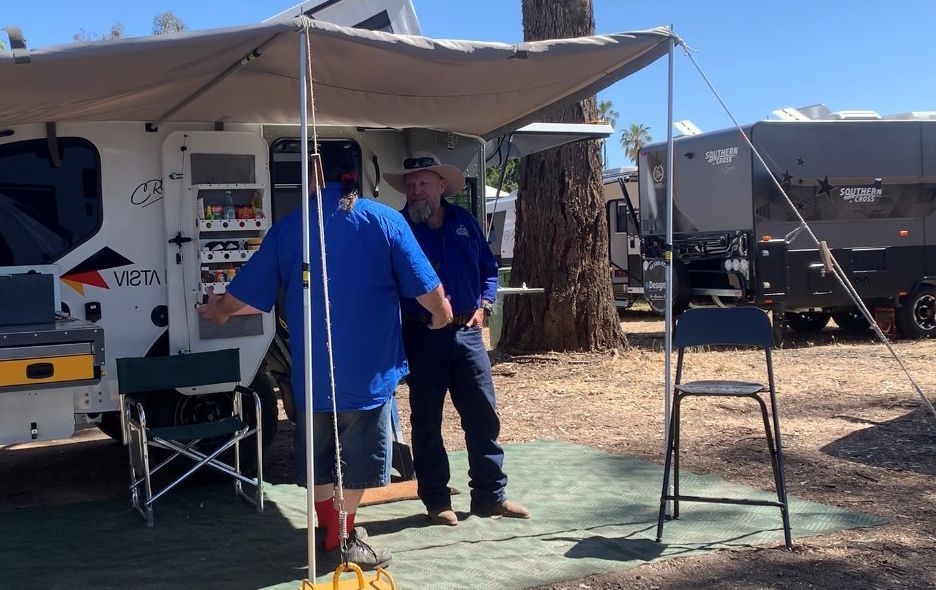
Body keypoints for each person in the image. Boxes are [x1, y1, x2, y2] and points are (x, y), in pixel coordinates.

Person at [199, 154, 452, 569]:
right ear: (359, 182)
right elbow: (429, 291)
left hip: (312, 376)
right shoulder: (385, 220)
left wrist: (220, 310)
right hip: (367, 376)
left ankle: (328, 529)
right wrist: (441, 317)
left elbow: (243, 296)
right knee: (356, 460)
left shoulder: (290, 228)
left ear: (315, 180)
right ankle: (344, 537)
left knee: (319, 456)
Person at [384, 151, 530, 527]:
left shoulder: (464, 221)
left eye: (423, 184)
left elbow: (489, 268)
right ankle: (435, 501)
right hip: (422, 335)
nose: (416, 191)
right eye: (411, 185)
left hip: (468, 333)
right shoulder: (399, 228)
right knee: (427, 420)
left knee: (482, 415)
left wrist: (485, 304)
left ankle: (489, 496)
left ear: (441, 186)